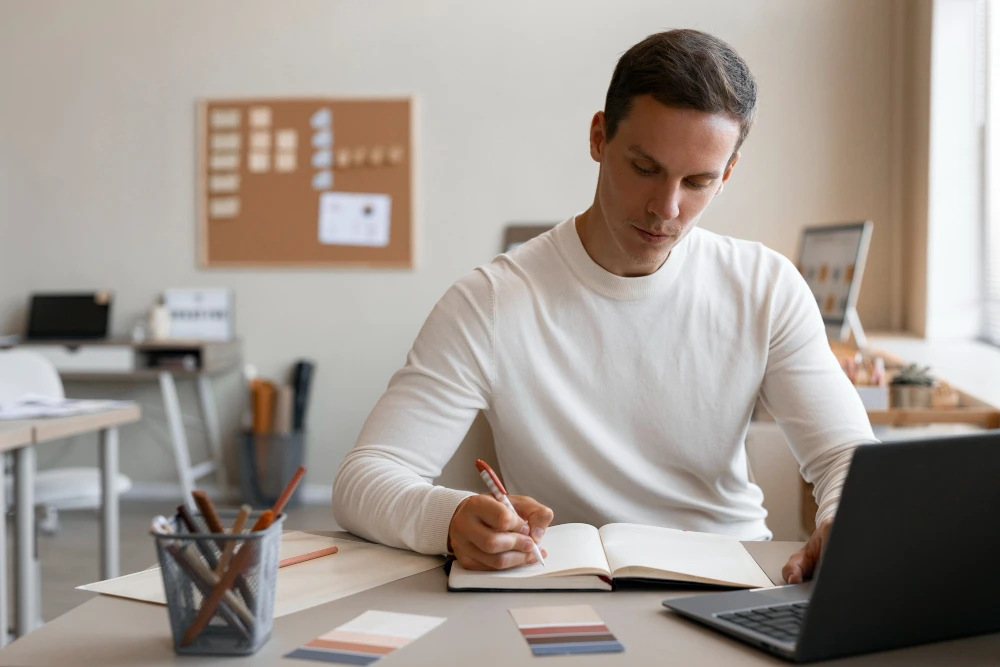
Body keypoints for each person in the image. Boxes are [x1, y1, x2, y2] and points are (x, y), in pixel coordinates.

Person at [333, 29, 874, 585]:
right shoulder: (489, 302)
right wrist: (446, 519)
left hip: (733, 576)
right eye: (645, 168)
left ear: (728, 173)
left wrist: (844, 520)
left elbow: (844, 455)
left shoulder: (766, 286)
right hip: (562, 581)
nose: (667, 208)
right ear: (598, 138)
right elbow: (364, 478)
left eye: (698, 182)